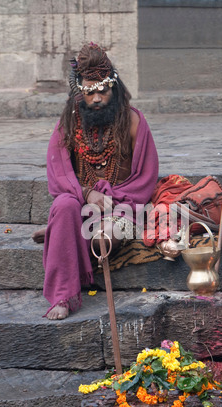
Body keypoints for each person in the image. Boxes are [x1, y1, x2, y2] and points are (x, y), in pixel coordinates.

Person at [41, 43, 159, 320]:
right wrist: (86, 194)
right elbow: (58, 173)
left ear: (113, 88)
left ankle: (59, 236)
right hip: (81, 201)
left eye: (102, 91)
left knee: (102, 239)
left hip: (124, 204)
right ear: (80, 92)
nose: (96, 98)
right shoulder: (69, 123)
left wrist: (112, 200)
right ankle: (62, 297)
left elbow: (146, 176)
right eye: (90, 92)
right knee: (64, 205)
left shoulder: (133, 121)